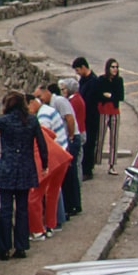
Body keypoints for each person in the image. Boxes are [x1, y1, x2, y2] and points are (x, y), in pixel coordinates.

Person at [0, 91, 49, 260]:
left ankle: (5, 247)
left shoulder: (5, 121)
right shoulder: (31, 120)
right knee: (22, 209)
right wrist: (44, 164)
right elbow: (42, 144)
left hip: (7, 169)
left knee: (6, 210)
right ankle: (21, 246)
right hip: (25, 169)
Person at [27, 123, 72, 242]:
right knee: (52, 192)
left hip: (44, 161)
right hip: (60, 156)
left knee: (33, 197)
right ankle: (51, 226)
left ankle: (37, 231)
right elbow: (52, 135)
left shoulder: (18, 129)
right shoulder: (34, 123)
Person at [45, 82, 81, 217]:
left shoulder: (59, 101)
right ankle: (73, 205)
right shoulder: (54, 103)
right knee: (69, 175)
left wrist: (70, 137)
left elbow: (70, 119)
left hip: (71, 139)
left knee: (70, 174)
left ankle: (73, 205)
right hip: (68, 139)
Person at [71, 57, 100, 180]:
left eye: (78, 70)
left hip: (91, 118)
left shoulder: (93, 81)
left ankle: (88, 170)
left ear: (83, 67)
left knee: (89, 144)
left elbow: (89, 101)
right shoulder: (83, 80)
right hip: (83, 118)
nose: (77, 73)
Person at [59, 78, 85, 214]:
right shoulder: (76, 99)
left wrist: (70, 136)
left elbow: (71, 119)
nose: (62, 92)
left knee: (74, 169)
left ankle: (75, 201)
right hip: (79, 133)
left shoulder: (72, 101)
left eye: (64, 89)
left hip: (76, 135)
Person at [96, 58, 125, 175]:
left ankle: (112, 165)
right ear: (108, 68)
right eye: (113, 67)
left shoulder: (119, 80)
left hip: (115, 111)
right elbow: (99, 94)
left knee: (114, 139)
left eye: (116, 67)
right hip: (103, 111)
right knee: (100, 137)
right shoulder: (101, 79)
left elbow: (120, 96)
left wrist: (109, 95)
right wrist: (106, 96)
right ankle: (96, 161)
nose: (115, 69)